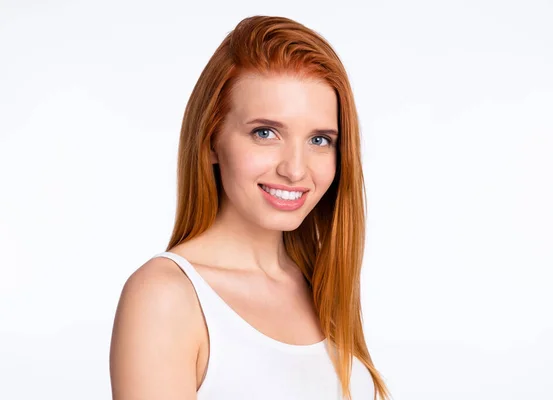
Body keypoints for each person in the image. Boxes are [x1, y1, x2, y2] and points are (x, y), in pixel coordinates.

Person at [109, 15, 391, 400]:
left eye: (320, 139)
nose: (294, 169)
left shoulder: (319, 284)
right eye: (265, 133)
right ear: (211, 141)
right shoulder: (167, 296)